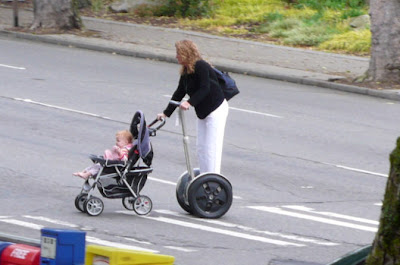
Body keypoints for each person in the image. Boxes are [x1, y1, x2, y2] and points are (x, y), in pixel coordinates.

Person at [157, 39, 229, 174]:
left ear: (186, 53)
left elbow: (205, 88)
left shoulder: (200, 66)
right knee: (201, 147)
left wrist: (189, 102)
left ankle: (213, 178)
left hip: (216, 110)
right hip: (203, 112)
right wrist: (166, 113)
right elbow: (179, 92)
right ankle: (204, 175)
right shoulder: (185, 71)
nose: (176, 56)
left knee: (212, 147)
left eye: (178, 53)